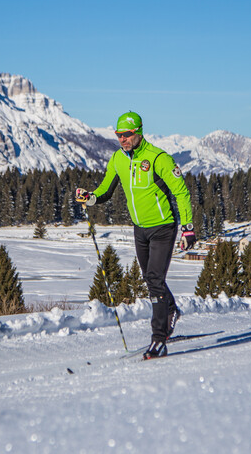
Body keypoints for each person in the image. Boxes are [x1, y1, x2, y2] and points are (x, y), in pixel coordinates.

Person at [76, 111, 196, 359]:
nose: (123, 139)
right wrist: (90, 197)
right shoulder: (118, 159)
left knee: (154, 278)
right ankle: (171, 310)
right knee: (150, 278)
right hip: (139, 229)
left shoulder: (158, 158)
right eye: (119, 135)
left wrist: (188, 227)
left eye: (127, 134)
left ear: (139, 132)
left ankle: (159, 339)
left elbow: (181, 193)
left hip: (164, 227)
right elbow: (106, 189)